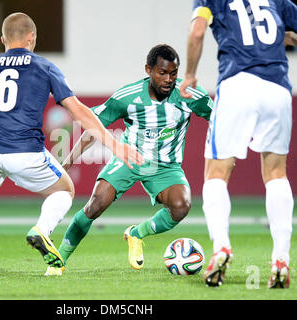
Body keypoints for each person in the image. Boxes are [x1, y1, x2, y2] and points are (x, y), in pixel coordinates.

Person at [0, 12, 143, 279]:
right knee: (64, 190)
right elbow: (77, 110)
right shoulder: (44, 67)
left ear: (2, 40)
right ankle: (42, 229)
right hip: (23, 152)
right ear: (32, 38)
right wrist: (115, 144)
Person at [179, 0, 297, 288]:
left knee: (216, 173)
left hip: (238, 84)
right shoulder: (278, 2)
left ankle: (221, 247)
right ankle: (281, 259)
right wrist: (282, 36)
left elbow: (197, 32)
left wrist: (190, 75)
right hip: (278, 89)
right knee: (276, 175)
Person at [45, 44, 213, 276]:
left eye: (173, 73)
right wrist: (69, 160)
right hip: (129, 158)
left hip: (166, 165)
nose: (168, 79)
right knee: (95, 206)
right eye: (162, 73)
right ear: (148, 70)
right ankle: (59, 260)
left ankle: (137, 234)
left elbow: (217, 118)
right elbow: (94, 125)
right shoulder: (128, 96)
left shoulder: (189, 95)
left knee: (181, 206)